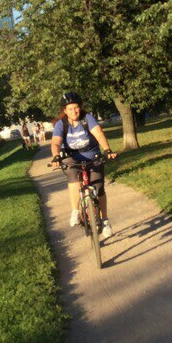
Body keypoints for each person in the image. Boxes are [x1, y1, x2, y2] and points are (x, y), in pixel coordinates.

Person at [48, 92, 118, 239]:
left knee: (99, 188)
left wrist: (107, 150)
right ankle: (75, 211)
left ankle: (105, 220)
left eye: (76, 108)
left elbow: (98, 134)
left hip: (92, 155)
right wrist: (56, 156)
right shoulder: (61, 124)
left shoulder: (87, 119)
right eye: (70, 109)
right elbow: (55, 143)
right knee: (73, 177)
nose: (74, 111)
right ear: (65, 110)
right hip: (71, 158)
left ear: (80, 107)